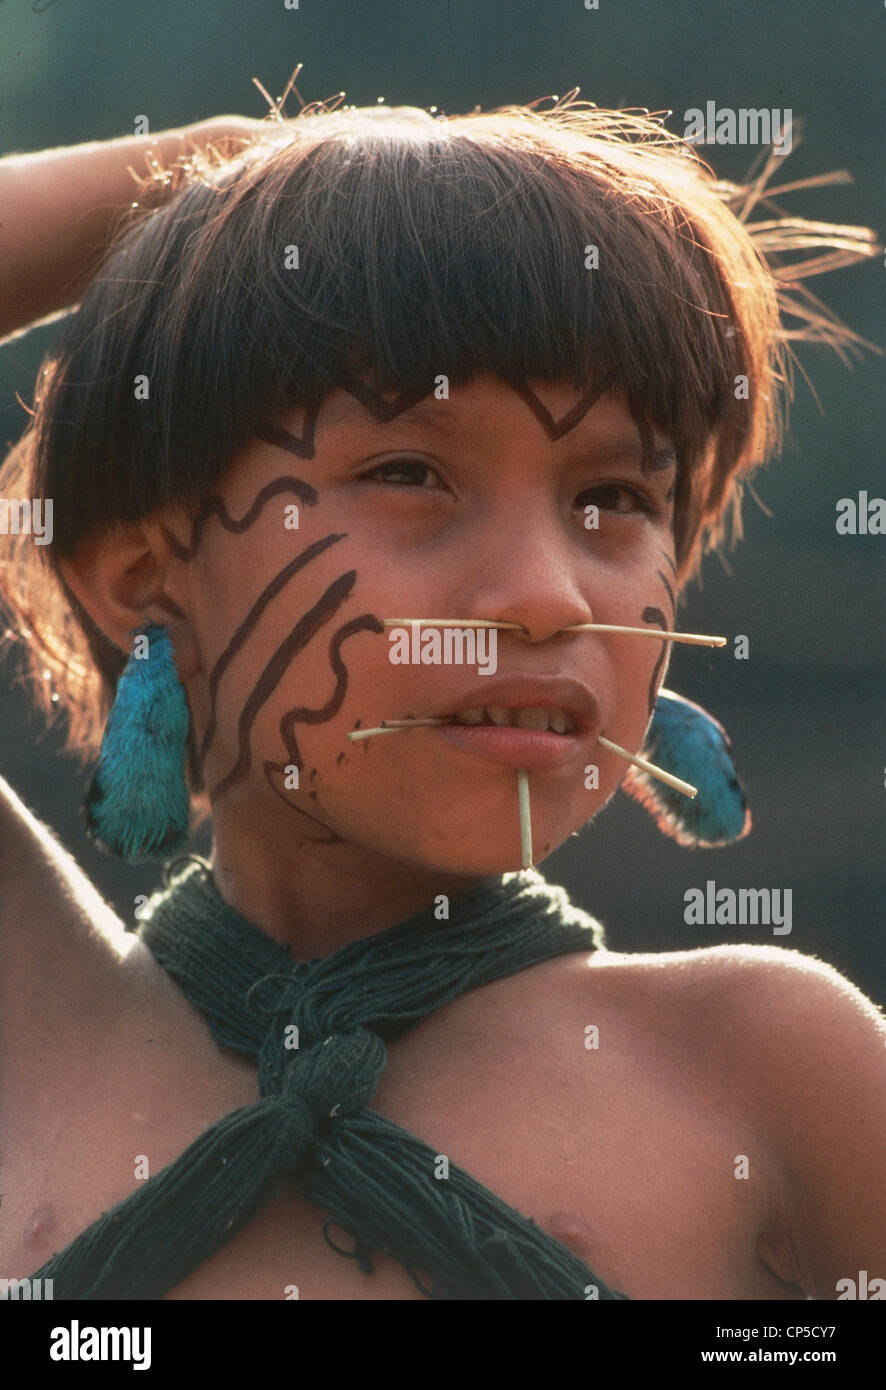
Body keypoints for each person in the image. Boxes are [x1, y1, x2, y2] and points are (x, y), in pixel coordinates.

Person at [0, 94, 884, 1301]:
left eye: (614, 499)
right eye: (409, 471)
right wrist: (213, 180)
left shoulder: (769, 1066)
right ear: (148, 579)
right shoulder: (29, 1033)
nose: (542, 595)